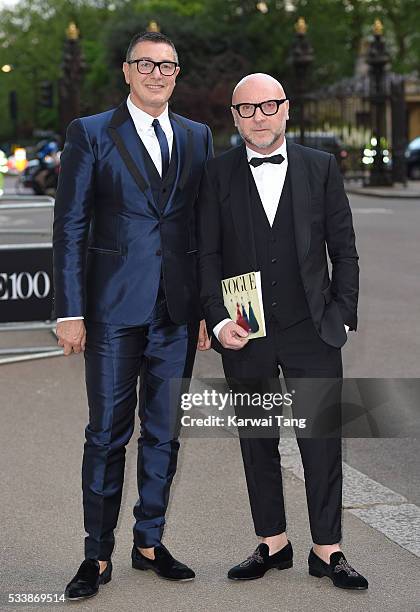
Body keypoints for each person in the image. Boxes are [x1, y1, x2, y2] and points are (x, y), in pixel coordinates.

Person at [53, 31, 212, 600]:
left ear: (176, 74)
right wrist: (70, 310)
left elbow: (200, 229)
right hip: (112, 312)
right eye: (144, 64)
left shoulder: (197, 136)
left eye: (166, 65)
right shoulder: (91, 132)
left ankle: (149, 543)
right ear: (126, 72)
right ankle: (96, 556)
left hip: (176, 313)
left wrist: (205, 311)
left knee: (165, 435)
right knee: (106, 435)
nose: (155, 73)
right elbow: (70, 226)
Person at [198, 73, 368, 590]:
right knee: (257, 438)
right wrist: (217, 319)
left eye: (269, 105)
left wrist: (341, 312)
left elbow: (344, 248)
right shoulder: (215, 173)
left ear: (286, 109)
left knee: (320, 438)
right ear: (234, 116)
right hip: (244, 332)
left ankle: (327, 549)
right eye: (247, 109)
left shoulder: (320, 169)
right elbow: (205, 254)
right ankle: (272, 542)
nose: (260, 116)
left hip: (311, 328)